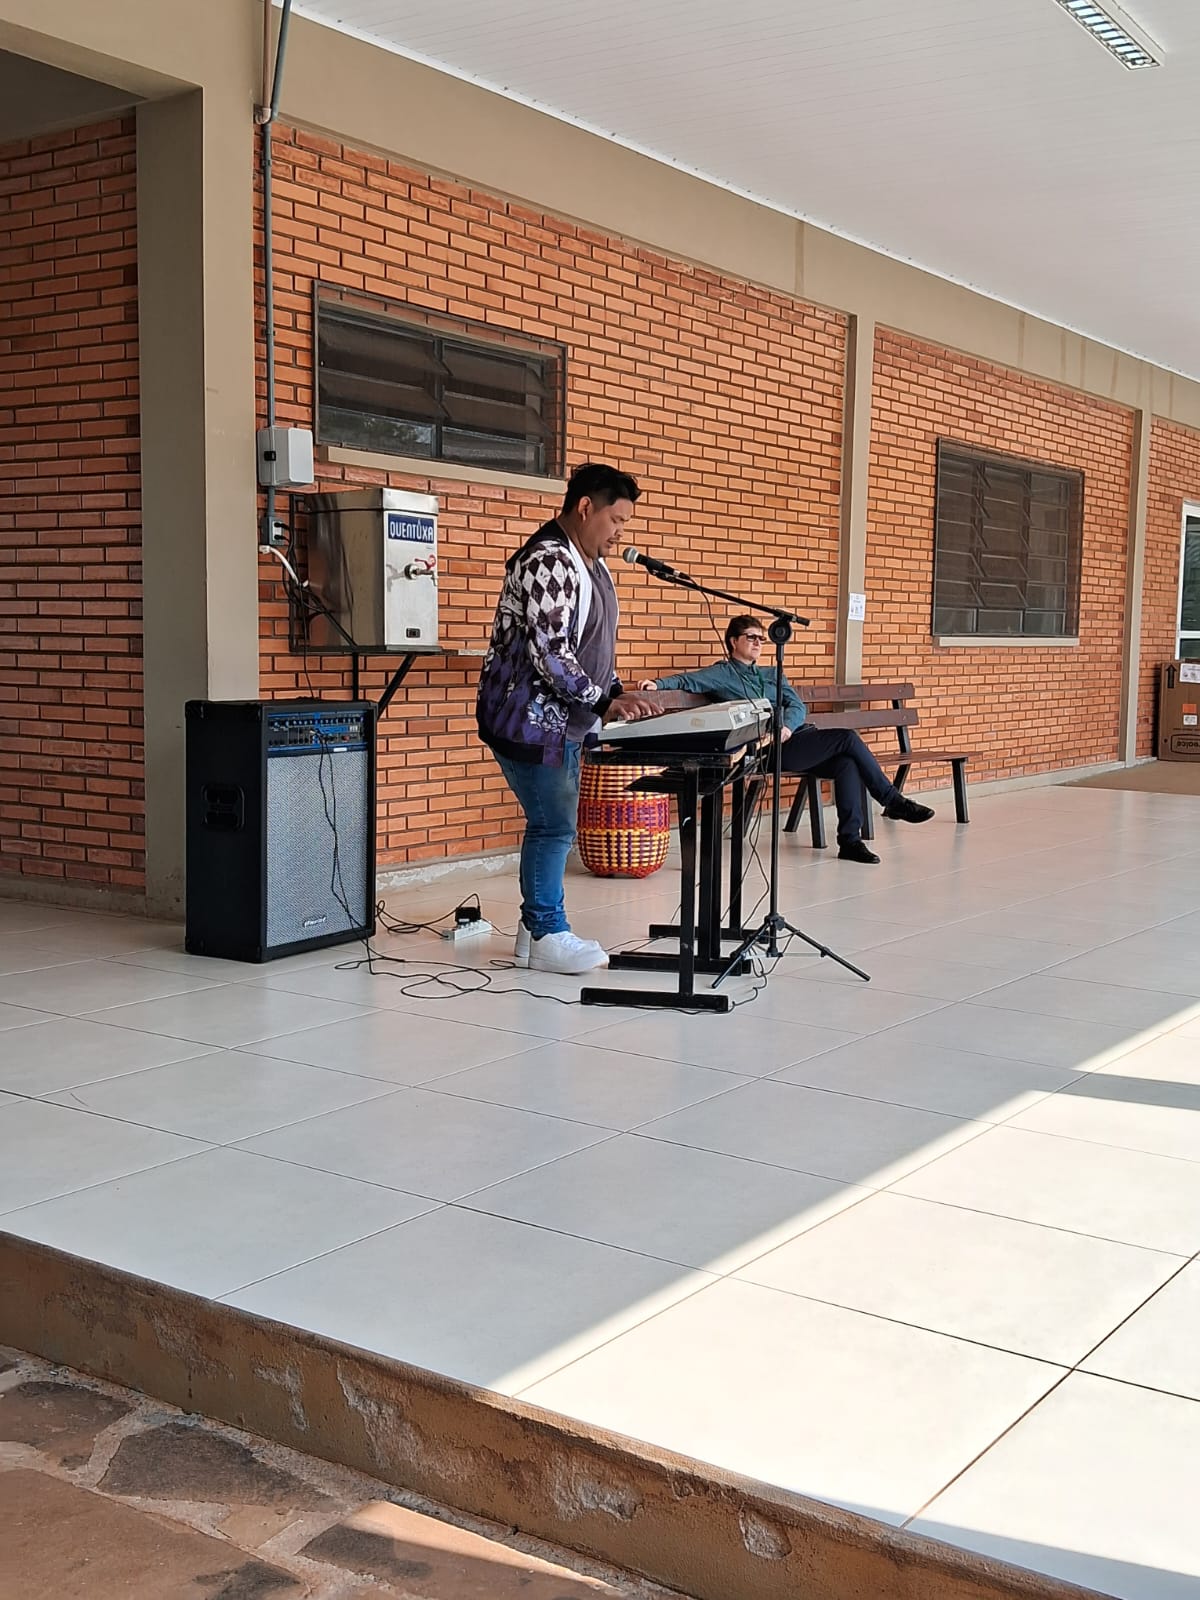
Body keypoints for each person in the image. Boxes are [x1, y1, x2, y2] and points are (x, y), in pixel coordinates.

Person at [477, 464, 662, 972]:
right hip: (528, 719)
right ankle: (546, 933)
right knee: (552, 825)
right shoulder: (549, 559)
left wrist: (617, 691)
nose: (620, 532)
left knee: (554, 823)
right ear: (585, 508)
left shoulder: (591, 565)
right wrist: (603, 702)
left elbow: (593, 647)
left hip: (565, 722)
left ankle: (531, 929)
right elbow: (551, 654)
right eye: (616, 520)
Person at [639, 615, 933, 864]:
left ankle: (850, 842)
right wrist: (657, 684)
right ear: (733, 641)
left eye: (761, 638)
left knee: (847, 764)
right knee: (847, 738)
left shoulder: (772, 673)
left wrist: (789, 726)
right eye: (751, 637)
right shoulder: (722, 674)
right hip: (765, 749)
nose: (758, 643)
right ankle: (892, 800)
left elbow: (797, 706)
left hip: (794, 739)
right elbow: (688, 680)